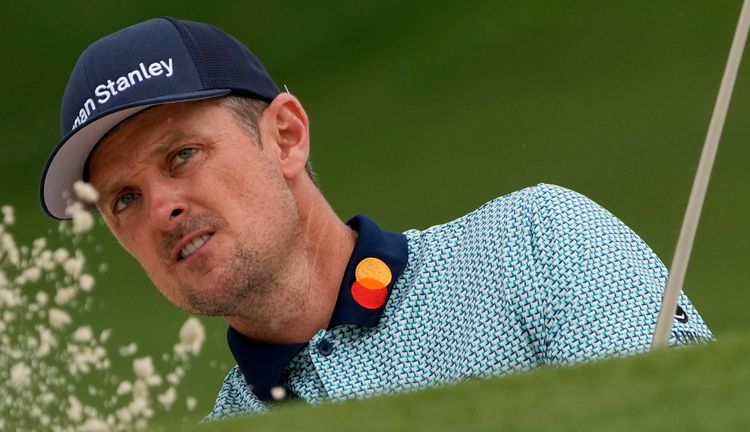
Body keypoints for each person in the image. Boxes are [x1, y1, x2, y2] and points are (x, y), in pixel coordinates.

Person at [40, 17, 713, 420]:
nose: (162, 207)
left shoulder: (534, 242)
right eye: (123, 198)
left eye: (183, 154)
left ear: (285, 136)